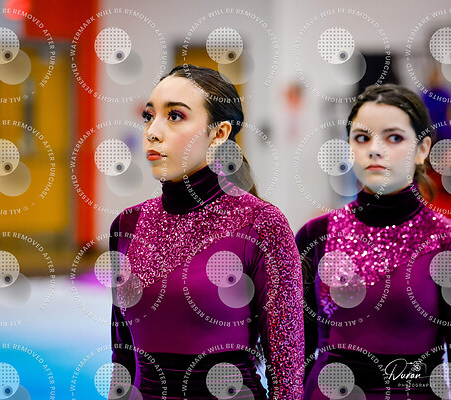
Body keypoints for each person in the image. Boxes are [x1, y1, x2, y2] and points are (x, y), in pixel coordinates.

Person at [109, 65, 304, 400]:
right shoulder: (128, 225)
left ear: (219, 133)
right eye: (149, 116)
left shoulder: (261, 223)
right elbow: (122, 355)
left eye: (175, 116)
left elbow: (287, 370)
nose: (153, 132)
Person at [296, 84, 451, 399]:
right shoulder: (316, 235)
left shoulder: (444, 240)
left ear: (422, 149)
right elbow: (295, 348)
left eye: (393, 138)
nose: (375, 150)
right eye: (362, 138)